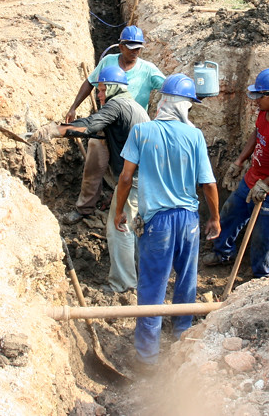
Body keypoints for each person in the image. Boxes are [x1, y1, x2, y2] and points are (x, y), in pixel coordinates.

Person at [113, 74, 220, 367]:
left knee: (152, 286)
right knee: (186, 281)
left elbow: (125, 177)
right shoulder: (195, 136)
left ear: (163, 102)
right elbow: (208, 184)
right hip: (188, 221)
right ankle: (182, 338)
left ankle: (148, 357)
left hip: (156, 222)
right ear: (184, 106)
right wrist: (215, 218)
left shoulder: (142, 132)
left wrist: (119, 211)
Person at [31, 66, 149, 293]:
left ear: (114, 88)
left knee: (119, 226)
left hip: (133, 180)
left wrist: (55, 130)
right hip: (145, 179)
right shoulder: (132, 105)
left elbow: (90, 126)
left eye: (103, 89)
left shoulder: (117, 104)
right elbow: (102, 131)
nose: (99, 95)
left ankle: (123, 284)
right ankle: (137, 273)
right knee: (134, 226)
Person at [61, 25, 165, 224]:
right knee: (94, 156)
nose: (134, 52)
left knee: (130, 172)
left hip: (132, 131)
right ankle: (85, 207)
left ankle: (131, 211)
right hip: (106, 124)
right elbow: (90, 82)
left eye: (138, 48)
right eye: (130, 47)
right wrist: (74, 107)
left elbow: (167, 88)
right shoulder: (109, 62)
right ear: (121, 46)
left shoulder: (148, 70)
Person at [204, 68, 269, 281]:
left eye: (259, 96)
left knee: (262, 233)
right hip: (252, 179)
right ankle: (223, 253)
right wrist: (239, 162)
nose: (255, 100)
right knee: (230, 212)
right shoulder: (264, 113)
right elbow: (256, 134)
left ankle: (264, 275)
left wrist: (265, 184)